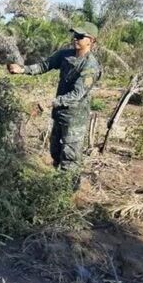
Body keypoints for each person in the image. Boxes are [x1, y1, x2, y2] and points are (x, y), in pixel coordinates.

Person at [7, 22, 102, 190]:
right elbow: (45, 65)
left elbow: (76, 95)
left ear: (91, 41)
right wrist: (22, 69)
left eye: (80, 36)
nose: (76, 39)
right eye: (75, 35)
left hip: (74, 119)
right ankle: (58, 186)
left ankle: (67, 195)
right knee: (56, 152)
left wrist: (49, 103)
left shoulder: (90, 66)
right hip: (60, 114)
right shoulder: (65, 55)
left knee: (70, 158)